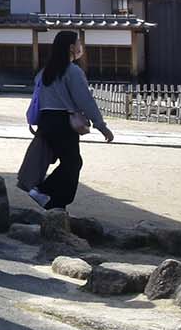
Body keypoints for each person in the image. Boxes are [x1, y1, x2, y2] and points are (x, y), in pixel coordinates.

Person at [22, 30, 113, 210]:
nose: (81, 47)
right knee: (72, 162)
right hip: (63, 122)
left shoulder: (44, 72)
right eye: (79, 43)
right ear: (72, 47)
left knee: (66, 161)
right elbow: (85, 100)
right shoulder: (72, 71)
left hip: (46, 122)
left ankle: (55, 204)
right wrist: (101, 126)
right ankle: (45, 192)